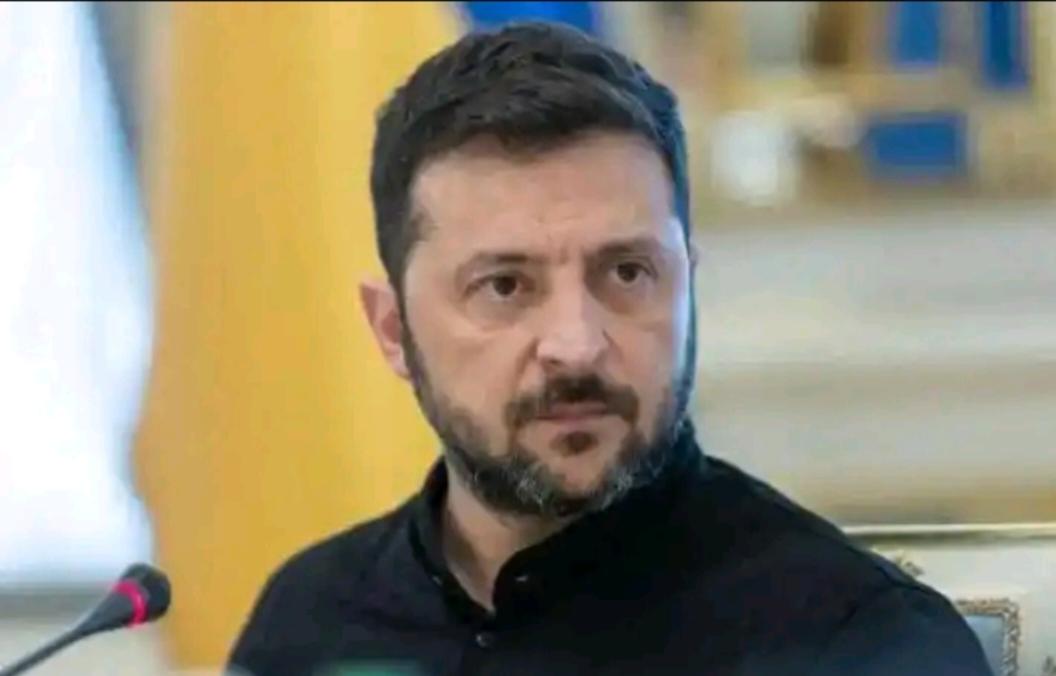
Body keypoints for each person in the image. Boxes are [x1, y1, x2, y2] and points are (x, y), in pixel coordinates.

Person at [226, 21, 990, 676]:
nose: (576, 345)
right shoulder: (311, 621)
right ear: (393, 331)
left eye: (626, 273)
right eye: (504, 286)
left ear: (687, 285)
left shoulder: (857, 642)